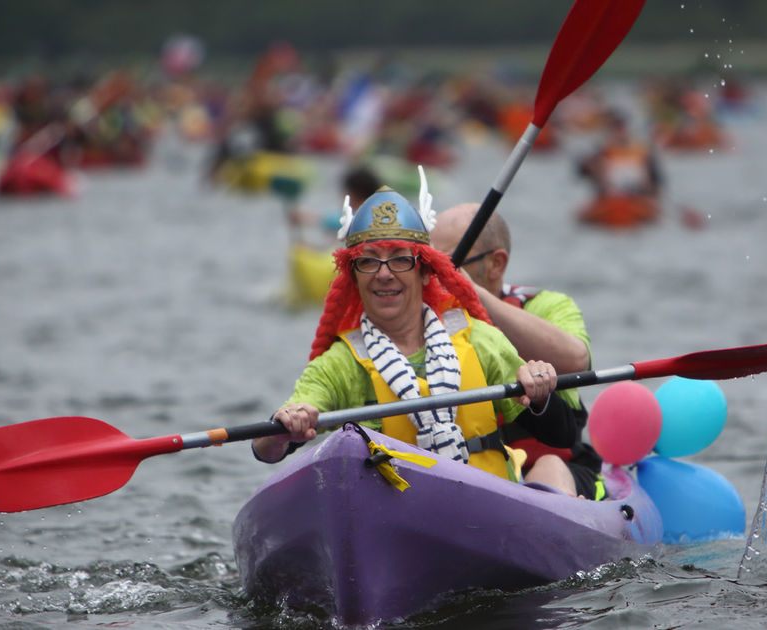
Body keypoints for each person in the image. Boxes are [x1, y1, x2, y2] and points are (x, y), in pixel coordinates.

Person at [252, 177, 581, 495]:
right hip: (395, 509)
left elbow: (561, 434)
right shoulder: (339, 364)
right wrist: (286, 429)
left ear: (424, 271)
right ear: (354, 276)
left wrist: (540, 394)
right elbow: (265, 449)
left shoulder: (480, 340)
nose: (384, 274)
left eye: (399, 260)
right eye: (368, 262)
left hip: (488, 506)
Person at [429, 203, 606, 500]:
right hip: (473, 471)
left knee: (549, 465)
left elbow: (576, 360)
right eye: (430, 264)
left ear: (496, 264)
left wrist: (473, 295)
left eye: (447, 265)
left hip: (554, 467)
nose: (436, 276)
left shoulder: (548, 305)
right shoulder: (419, 319)